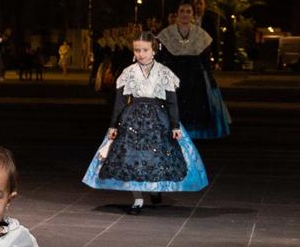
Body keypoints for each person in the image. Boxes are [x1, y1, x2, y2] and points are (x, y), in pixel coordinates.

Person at [83, 34, 209, 211]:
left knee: (155, 156)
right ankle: (138, 199)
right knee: (132, 158)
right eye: (137, 50)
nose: (141, 54)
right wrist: (113, 125)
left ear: (153, 50)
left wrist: (174, 125)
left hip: (158, 119)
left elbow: (172, 102)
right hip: (132, 119)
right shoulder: (128, 73)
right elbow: (119, 102)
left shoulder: (164, 73)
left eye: (145, 50)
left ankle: (154, 188)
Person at [154, 1, 231, 140]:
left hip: (195, 75)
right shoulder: (167, 33)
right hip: (174, 73)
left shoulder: (201, 34)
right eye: (182, 11)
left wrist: (210, 77)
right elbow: (161, 57)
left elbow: (205, 59)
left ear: (192, 15)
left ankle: (193, 134)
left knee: (195, 105)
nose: (185, 14)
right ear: (177, 14)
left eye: (188, 11)